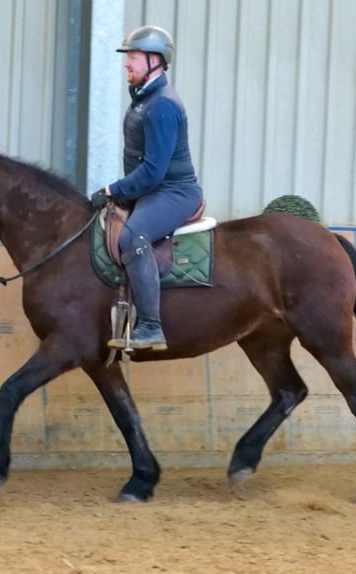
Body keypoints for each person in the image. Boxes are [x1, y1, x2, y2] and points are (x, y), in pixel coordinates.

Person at [90, 25, 204, 352]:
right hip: (154, 191)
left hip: (174, 192)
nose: (127, 63)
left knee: (132, 236)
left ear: (155, 60)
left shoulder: (162, 105)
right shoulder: (144, 100)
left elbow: (154, 171)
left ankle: (151, 326)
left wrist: (113, 190)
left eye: (134, 57)